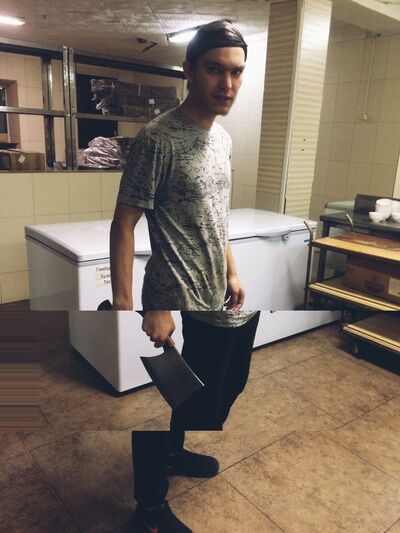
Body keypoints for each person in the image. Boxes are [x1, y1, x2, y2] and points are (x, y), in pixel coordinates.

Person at [110, 20, 260, 533]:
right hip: (172, 294)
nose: (227, 84)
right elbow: (124, 223)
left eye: (236, 72)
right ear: (189, 71)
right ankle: (149, 509)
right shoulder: (157, 138)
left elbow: (216, 215)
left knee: (219, 387)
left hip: (215, 290)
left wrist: (232, 270)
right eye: (215, 70)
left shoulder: (222, 139)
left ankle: (172, 453)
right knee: (164, 402)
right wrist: (134, 306)